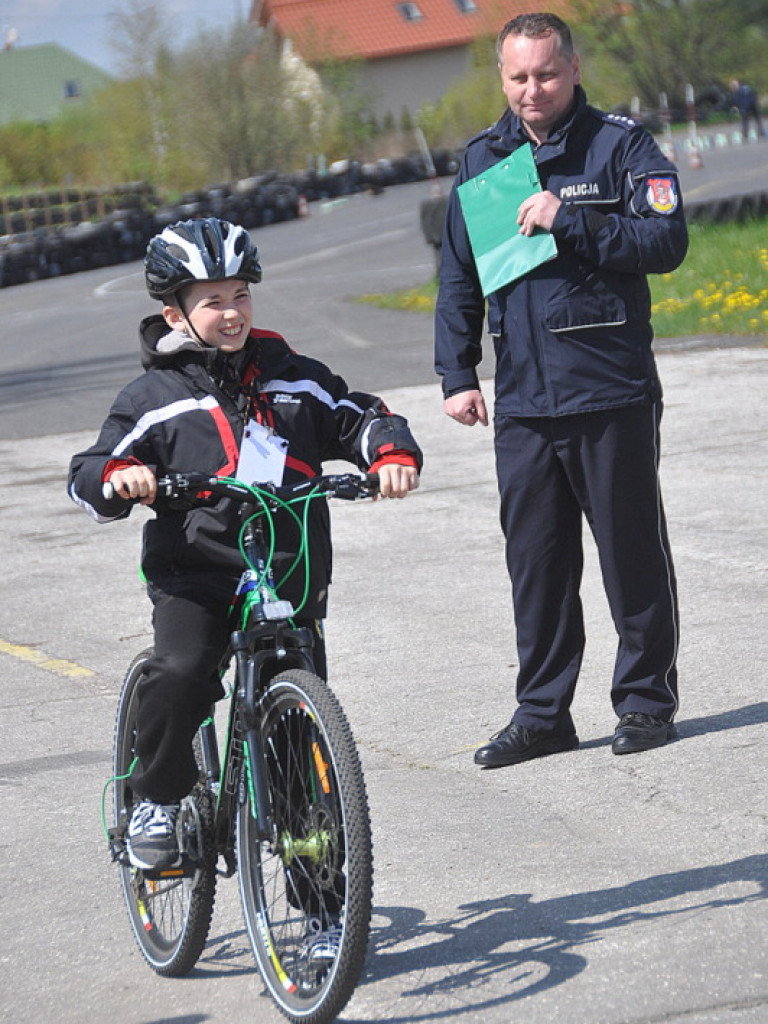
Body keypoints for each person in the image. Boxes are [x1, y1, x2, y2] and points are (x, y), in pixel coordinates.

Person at [69, 218, 422, 883]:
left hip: (288, 573)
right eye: (212, 301)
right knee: (181, 672)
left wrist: (391, 453)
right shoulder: (153, 399)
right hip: (197, 574)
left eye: (240, 296)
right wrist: (121, 478)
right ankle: (158, 801)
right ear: (175, 314)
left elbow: (362, 416)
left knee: (301, 741)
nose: (231, 313)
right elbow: (90, 470)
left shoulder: (295, 378)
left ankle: (321, 903)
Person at [434, 12, 688, 768]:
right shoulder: (484, 159)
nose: (532, 89)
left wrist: (569, 219)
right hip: (523, 400)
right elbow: (458, 274)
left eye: (546, 73)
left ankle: (645, 703)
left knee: (630, 555)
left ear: (573, 69)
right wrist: (457, 372)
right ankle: (543, 715)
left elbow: (665, 241)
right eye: (518, 76)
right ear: (502, 77)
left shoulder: (620, 146)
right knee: (537, 565)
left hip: (609, 390)